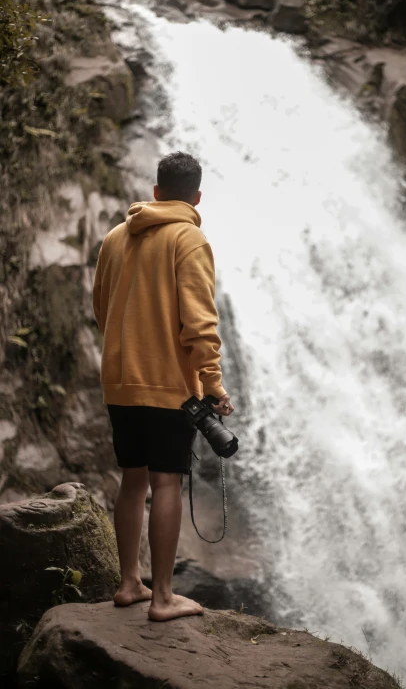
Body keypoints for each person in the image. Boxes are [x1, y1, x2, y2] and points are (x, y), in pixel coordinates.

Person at [92, 151, 234, 622]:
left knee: (132, 479)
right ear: (197, 197)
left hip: (120, 383)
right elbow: (200, 324)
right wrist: (212, 385)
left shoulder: (115, 237)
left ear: (155, 191)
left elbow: (101, 308)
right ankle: (163, 597)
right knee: (165, 480)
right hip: (169, 386)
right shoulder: (189, 238)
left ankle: (130, 583)